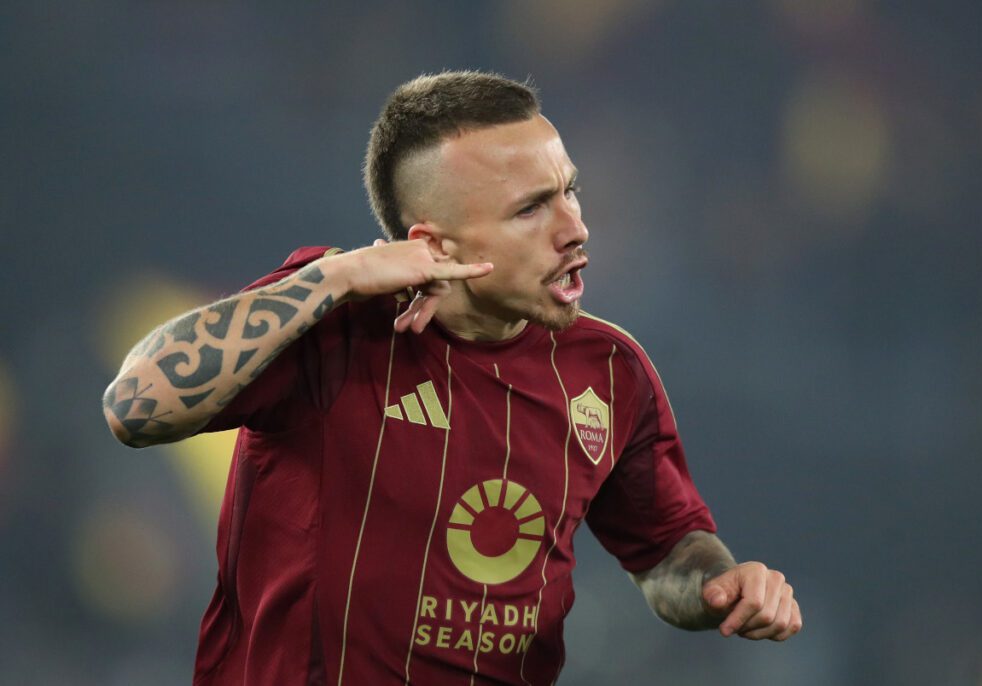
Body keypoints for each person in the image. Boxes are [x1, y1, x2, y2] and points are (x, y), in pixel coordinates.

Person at [103, 71, 801, 686]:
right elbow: (135, 407)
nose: (576, 228)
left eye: (570, 192)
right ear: (432, 245)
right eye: (531, 209)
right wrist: (335, 275)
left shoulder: (611, 372)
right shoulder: (329, 325)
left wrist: (722, 587)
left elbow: (666, 553)